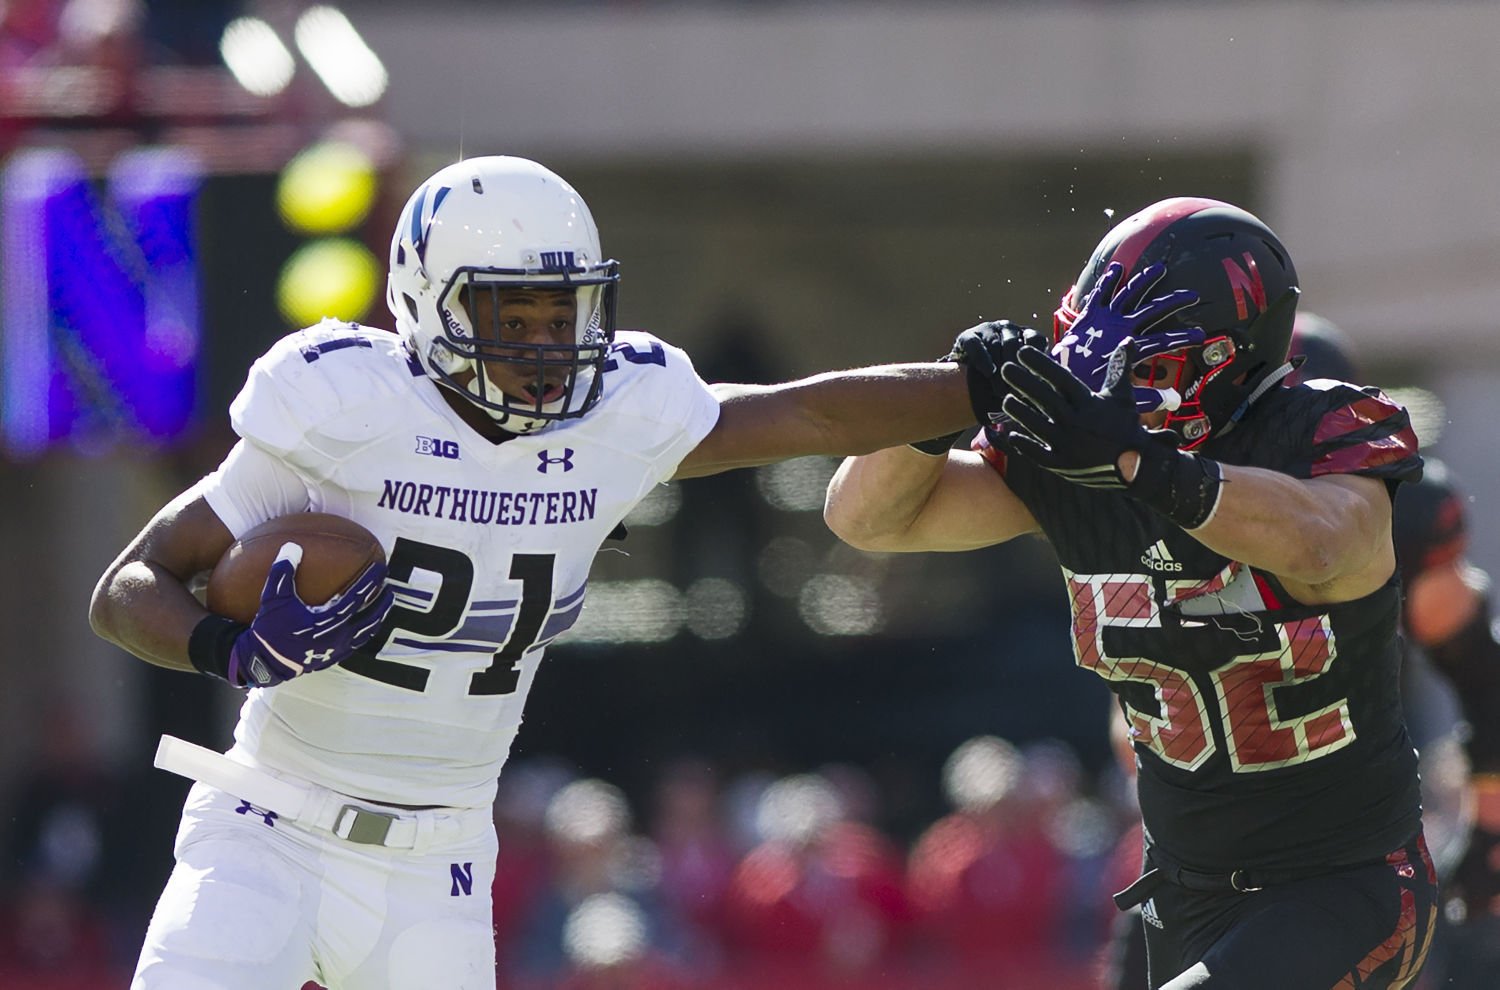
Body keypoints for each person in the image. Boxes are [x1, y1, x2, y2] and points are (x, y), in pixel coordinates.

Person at [88, 155, 987, 990]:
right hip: (267, 828)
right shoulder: (347, 408)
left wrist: (979, 386)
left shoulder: (613, 416)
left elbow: (813, 418)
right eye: (510, 319)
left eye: (562, 317)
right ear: (428, 302)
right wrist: (227, 649)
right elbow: (130, 584)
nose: (544, 347)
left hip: (436, 861)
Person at [824, 197, 1438, 989]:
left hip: (1340, 882)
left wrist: (1141, 466)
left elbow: (1324, 543)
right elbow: (864, 519)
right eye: (1102, 358)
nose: (1117, 391)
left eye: (1150, 369)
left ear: (1230, 361)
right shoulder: (1079, 458)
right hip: (1180, 890)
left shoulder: (1319, 430)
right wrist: (945, 400)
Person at [1288, 313, 1500, 990]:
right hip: (1214, 833)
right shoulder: (1173, 501)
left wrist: (1491, 826)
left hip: (1360, 825)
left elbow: (1485, 677)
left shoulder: (1404, 513)